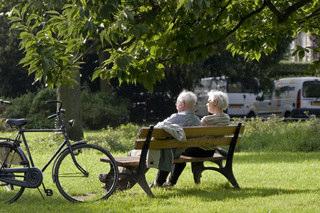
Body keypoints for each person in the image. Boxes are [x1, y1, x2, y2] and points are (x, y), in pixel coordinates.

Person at [166, 90, 230, 186]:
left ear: (215, 103)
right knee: (189, 148)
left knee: (179, 151)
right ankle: (196, 179)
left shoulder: (206, 119)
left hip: (199, 151)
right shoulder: (226, 118)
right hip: (210, 151)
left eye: (209, 101)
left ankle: (171, 182)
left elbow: (198, 136)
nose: (207, 104)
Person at [150, 90, 201, 187]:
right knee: (176, 157)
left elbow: (156, 128)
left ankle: (158, 182)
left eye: (177, 102)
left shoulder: (175, 117)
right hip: (185, 150)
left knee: (168, 152)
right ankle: (170, 182)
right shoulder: (197, 120)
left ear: (182, 104)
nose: (176, 104)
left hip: (172, 150)